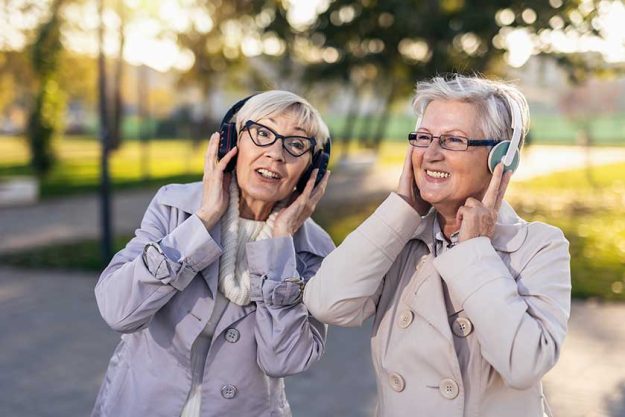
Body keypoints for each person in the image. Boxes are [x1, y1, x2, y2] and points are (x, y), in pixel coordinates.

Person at [303, 75, 571, 417]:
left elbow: (524, 364)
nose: (430, 154)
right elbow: (328, 303)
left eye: (453, 140)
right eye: (424, 137)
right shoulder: (399, 237)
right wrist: (402, 207)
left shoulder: (538, 246)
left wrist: (474, 251)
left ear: (501, 158)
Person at [91, 90, 334, 417]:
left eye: (295, 145)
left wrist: (280, 245)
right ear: (231, 142)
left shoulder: (314, 251)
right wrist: (204, 219)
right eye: (262, 133)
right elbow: (119, 311)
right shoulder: (174, 207)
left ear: (311, 169)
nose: (276, 153)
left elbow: (284, 360)